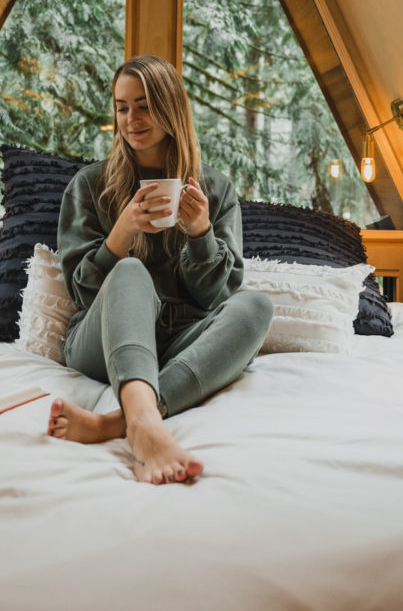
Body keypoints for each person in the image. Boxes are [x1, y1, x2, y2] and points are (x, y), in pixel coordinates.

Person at [46, 54, 273, 485]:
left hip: (181, 339)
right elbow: (82, 294)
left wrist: (201, 233)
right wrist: (123, 231)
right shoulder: (89, 185)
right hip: (104, 341)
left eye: (145, 104)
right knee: (131, 270)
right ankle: (147, 428)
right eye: (122, 106)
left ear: (171, 107)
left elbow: (217, 300)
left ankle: (120, 421)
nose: (132, 118)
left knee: (257, 306)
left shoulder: (215, 188)